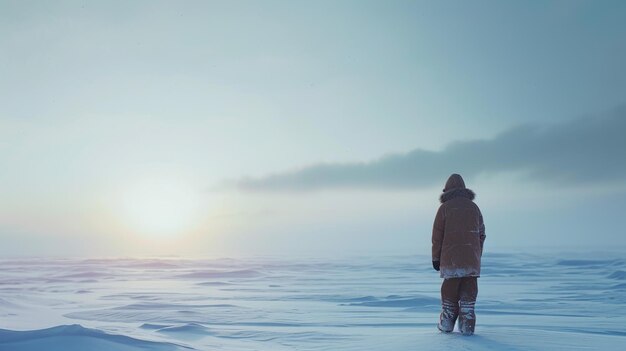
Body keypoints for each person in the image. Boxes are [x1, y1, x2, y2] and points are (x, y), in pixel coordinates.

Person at [432, 173, 485, 336]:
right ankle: (467, 329)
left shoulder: (444, 209)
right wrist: (476, 254)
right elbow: (481, 234)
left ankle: (446, 326)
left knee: (449, 298)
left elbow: (437, 236)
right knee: (468, 301)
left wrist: (436, 258)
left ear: (447, 190)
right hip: (471, 263)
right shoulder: (474, 208)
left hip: (451, 262)